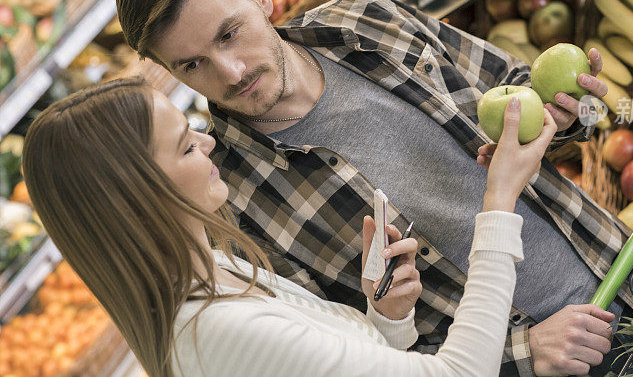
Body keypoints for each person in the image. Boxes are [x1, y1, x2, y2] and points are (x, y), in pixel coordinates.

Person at [115, 0, 633, 375]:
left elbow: (512, 85)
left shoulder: (368, 23)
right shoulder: (231, 200)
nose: (229, 72)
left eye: (229, 34)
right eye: (192, 65)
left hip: (632, 279)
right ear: (169, 72)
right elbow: (364, 352)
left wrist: (570, 112)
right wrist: (523, 353)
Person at [22, 76, 581, 376]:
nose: (210, 141)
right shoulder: (214, 329)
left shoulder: (216, 269)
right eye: (185, 146)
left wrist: (385, 319)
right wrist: (500, 198)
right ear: (138, 196)